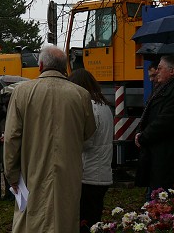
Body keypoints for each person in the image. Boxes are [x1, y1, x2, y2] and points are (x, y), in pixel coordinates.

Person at [3, 45, 96, 232]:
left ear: (41, 65)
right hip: (68, 172)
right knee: (65, 219)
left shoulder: (22, 92)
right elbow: (88, 132)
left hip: (31, 171)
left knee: (31, 218)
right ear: (64, 68)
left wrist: (12, 175)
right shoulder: (81, 94)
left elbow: (12, 138)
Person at [69, 68, 113, 233]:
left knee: (85, 221)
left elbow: (87, 142)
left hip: (89, 174)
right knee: (94, 219)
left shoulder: (90, 107)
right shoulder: (104, 106)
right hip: (100, 172)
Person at [135, 55, 174, 194]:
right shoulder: (164, 89)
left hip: (168, 157)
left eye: (160, 68)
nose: (156, 72)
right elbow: (149, 115)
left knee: (164, 197)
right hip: (159, 156)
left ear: (172, 71)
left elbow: (165, 121)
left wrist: (143, 137)